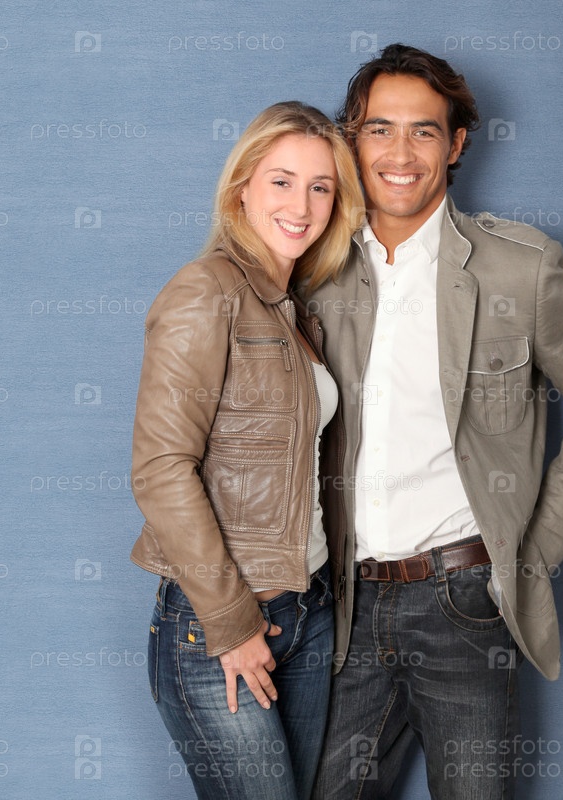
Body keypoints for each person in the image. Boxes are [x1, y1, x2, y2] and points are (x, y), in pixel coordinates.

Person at [304, 44, 563, 799]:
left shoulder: (521, 268)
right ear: (352, 140)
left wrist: (527, 555)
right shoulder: (310, 270)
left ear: (456, 144)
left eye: (423, 131)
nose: (400, 154)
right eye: (379, 129)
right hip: (339, 607)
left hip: (463, 604)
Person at [130, 101, 364, 800]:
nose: (302, 205)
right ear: (242, 189)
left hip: (307, 614)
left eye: (321, 187)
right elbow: (162, 468)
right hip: (219, 623)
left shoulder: (293, 313)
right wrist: (232, 625)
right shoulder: (206, 291)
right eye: (281, 182)